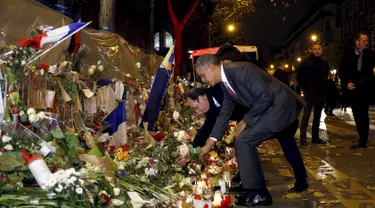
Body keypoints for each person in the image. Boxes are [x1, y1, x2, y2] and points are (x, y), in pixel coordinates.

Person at [195, 54, 308, 206]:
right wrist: (209, 144)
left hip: (280, 107)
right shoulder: (225, 82)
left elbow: (264, 98)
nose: (203, 80)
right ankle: (254, 190)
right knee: (244, 140)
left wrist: (245, 122)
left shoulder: (241, 70)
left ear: (211, 67)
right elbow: (224, 114)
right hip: (270, 108)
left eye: (202, 75)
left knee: (245, 140)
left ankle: (259, 193)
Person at [338, 32, 375, 149]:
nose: (367, 43)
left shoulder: (370, 55)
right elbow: (341, 73)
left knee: (363, 114)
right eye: (364, 41)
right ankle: (361, 138)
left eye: (367, 40)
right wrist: (346, 84)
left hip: (365, 89)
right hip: (353, 90)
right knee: (357, 115)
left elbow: (369, 73)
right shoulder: (348, 55)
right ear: (357, 42)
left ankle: (363, 140)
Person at [297, 44, 329, 146]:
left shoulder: (325, 63)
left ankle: (315, 138)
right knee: (306, 115)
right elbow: (300, 77)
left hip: (320, 93)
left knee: (317, 116)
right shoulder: (305, 62)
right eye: (315, 49)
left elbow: (325, 77)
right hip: (309, 93)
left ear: (321, 50)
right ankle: (303, 138)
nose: (317, 51)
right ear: (311, 50)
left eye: (319, 49)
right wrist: (305, 88)